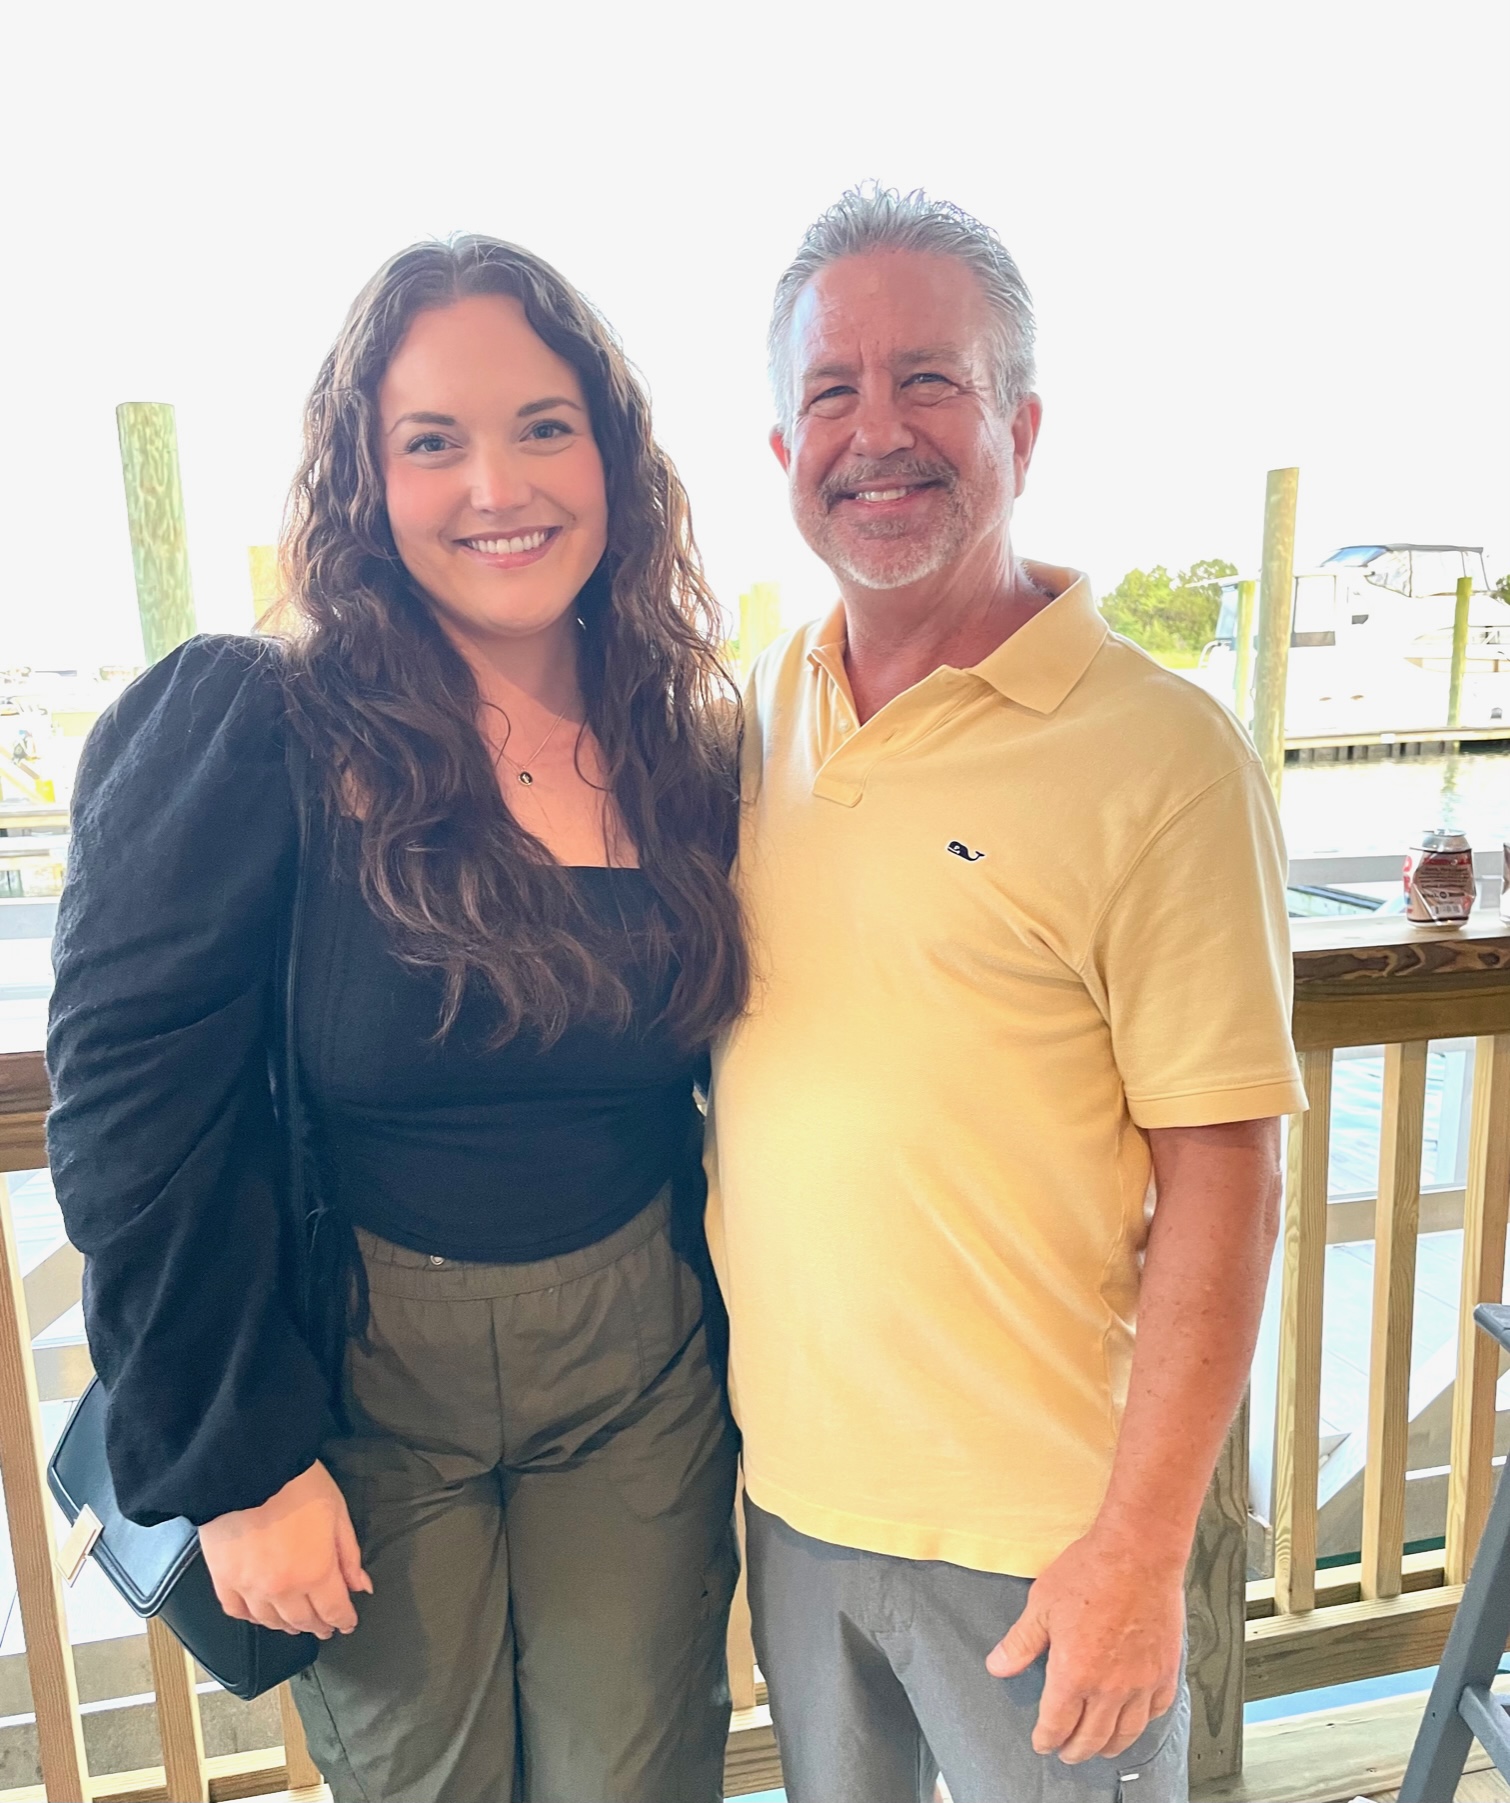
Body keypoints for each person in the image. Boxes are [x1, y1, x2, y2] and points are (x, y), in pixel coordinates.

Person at [48, 236, 748, 1803]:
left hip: (641, 1372)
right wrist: (237, 1466)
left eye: (544, 426)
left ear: (614, 456)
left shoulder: (681, 744)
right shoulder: (251, 720)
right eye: (432, 441)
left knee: (642, 1780)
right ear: (364, 479)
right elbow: (130, 1122)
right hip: (357, 1383)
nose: (497, 485)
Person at [705, 186, 1307, 1803]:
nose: (876, 433)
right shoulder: (751, 714)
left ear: (1020, 427)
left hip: (1048, 1535)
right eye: (831, 391)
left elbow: (1227, 1170)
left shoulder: (1160, 754)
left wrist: (1140, 1550)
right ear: (781, 451)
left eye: (931, 381)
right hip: (796, 1505)